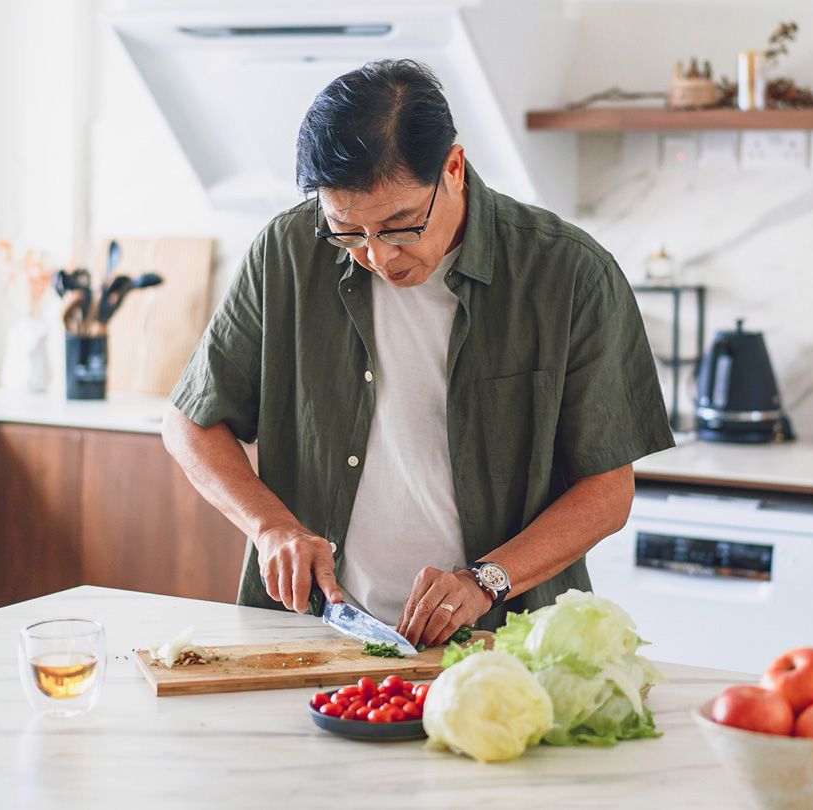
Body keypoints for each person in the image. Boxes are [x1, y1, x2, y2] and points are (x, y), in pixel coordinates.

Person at [163, 59, 672, 649]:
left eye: (401, 226)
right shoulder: (289, 251)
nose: (378, 256)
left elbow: (608, 493)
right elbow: (188, 424)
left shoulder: (569, 273)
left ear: (453, 168)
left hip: (502, 641)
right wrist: (270, 526)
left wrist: (486, 579)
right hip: (315, 631)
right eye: (348, 232)